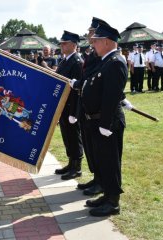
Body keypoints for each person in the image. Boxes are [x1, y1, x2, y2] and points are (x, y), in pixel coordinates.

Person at [70, 22, 127, 217]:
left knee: (110, 162)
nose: (92, 44)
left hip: (107, 123)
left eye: (96, 41)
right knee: (102, 161)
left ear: (108, 42)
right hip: (96, 120)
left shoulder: (116, 62)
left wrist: (105, 124)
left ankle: (113, 202)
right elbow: (91, 85)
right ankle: (106, 195)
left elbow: (111, 97)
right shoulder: (104, 60)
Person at [54, 31, 84, 180]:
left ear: (73, 45)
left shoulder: (77, 62)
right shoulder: (65, 60)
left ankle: (77, 167)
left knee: (74, 135)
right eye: (61, 43)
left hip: (72, 105)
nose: (62, 46)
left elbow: (78, 90)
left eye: (65, 43)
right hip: (63, 105)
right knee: (67, 135)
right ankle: (71, 162)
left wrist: (75, 112)